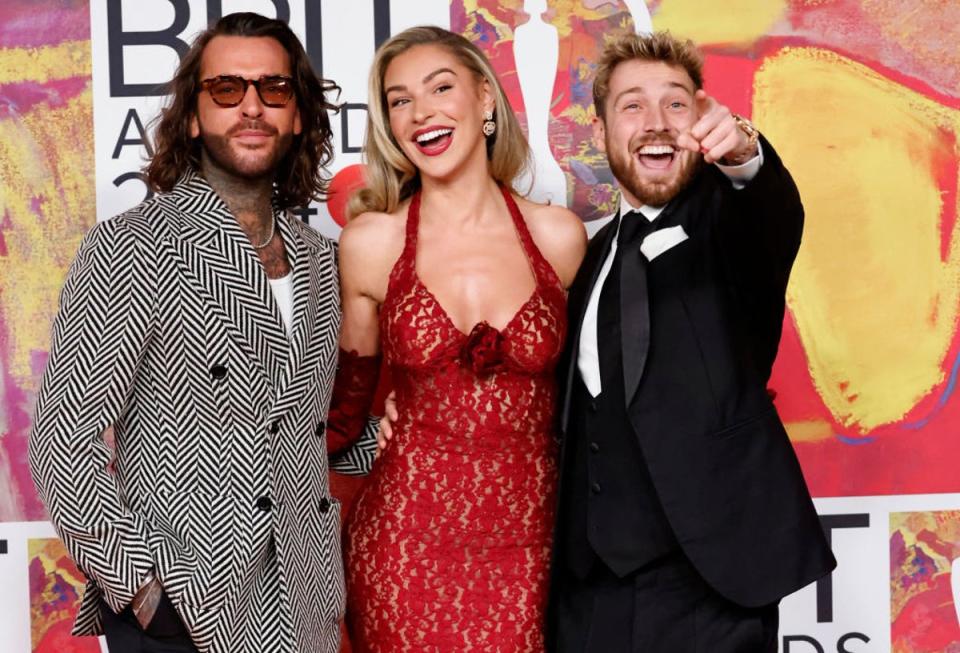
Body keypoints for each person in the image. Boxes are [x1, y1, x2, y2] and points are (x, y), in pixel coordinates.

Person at [29, 12, 356, 653]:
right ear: (192, 115)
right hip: (186, 609)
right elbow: (62, 440)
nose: (253, 107)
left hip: (304, 602)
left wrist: (389, 429)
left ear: (298, 115)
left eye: (275, 89)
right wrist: (143, 592)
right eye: (228, 90)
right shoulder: (133, 245)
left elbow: (306, 425)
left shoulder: (320, 257)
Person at [545, 31, 837, 652]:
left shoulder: (729, 225)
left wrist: (745, 154)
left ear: (702, 120)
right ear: (601, 133)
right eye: (632, 106)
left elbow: (770, 210)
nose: (655, 124)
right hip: (588, 592)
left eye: (675, 104)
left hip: (710, 587)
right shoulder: (589, 255)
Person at [331, 25, 586, 652]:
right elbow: (337, 411)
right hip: (404, 544)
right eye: (399, 100)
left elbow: (600, 399)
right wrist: (376, 428)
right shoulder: (371, 244)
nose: (421, 113)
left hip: (536, 547)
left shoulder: (560, 237)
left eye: (440, 88)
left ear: (486, 100)